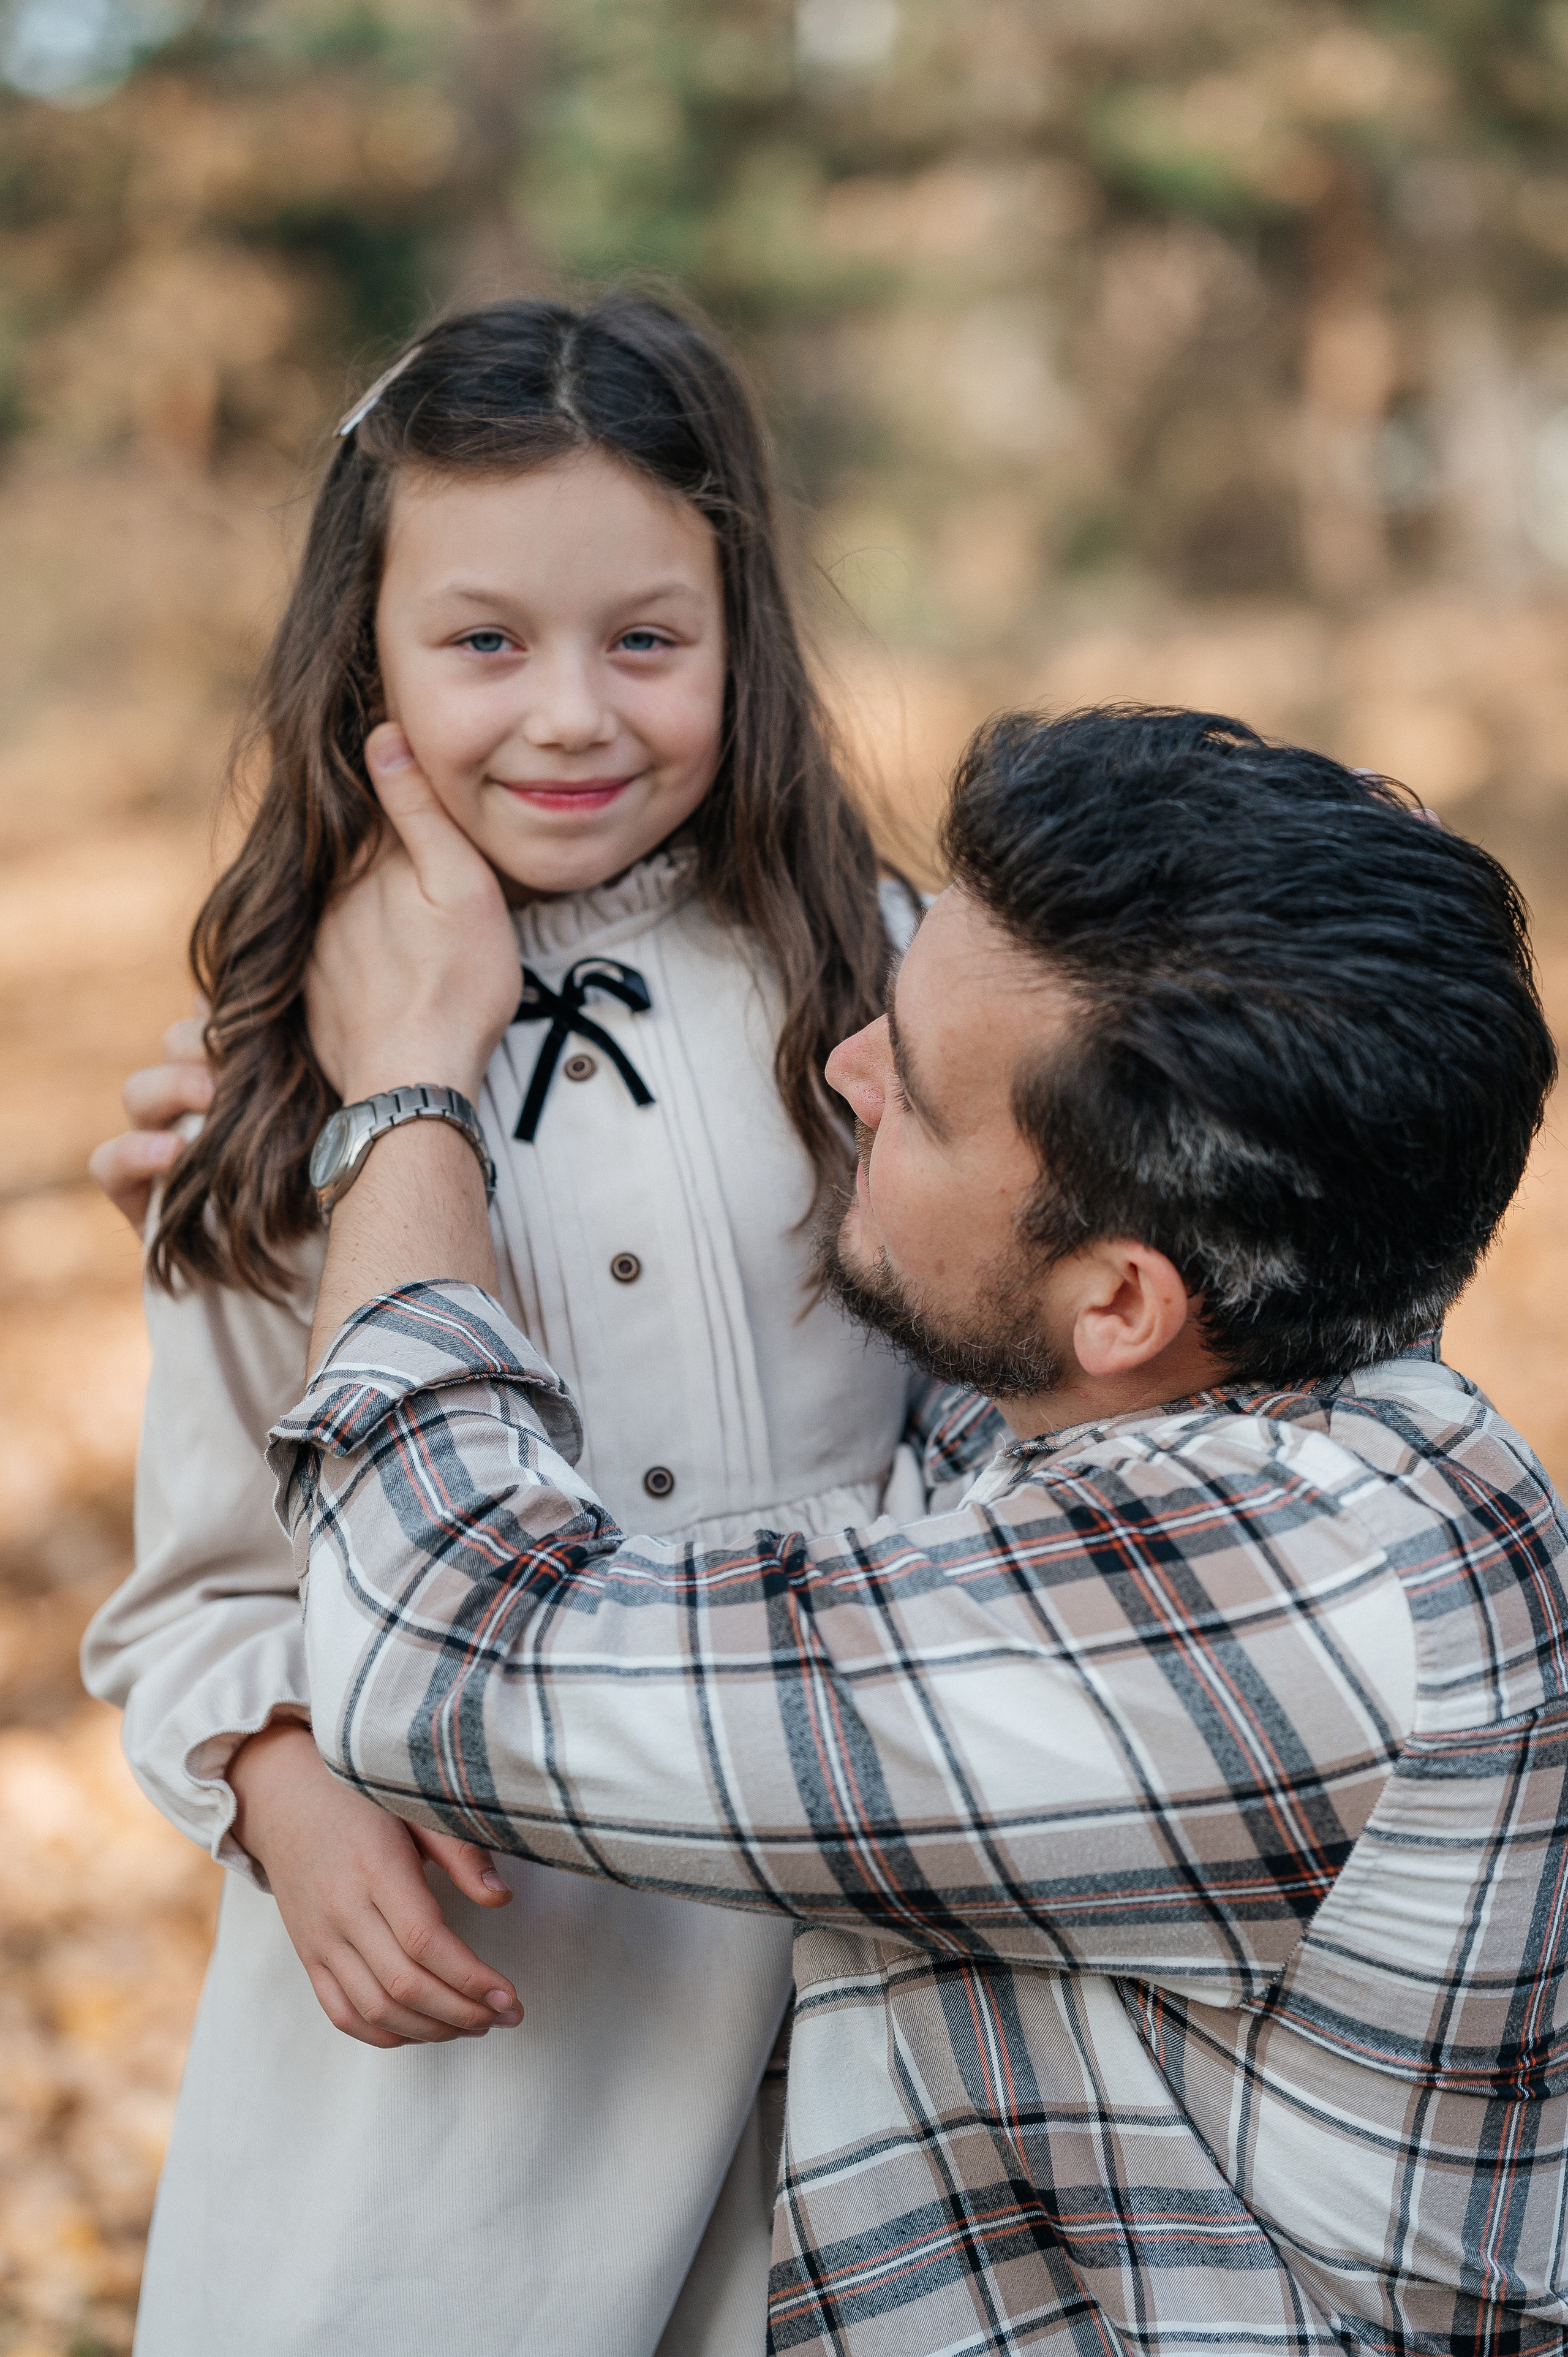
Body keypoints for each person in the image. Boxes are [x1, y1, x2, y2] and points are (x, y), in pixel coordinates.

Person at [270, 702, 1567, 2356]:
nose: (844, 1067)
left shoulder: (1233, 1616)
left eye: (924, 1095)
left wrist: (396, 1110)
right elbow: (964, 1401)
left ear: (1121, 1297)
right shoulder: (1281, 1409)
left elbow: (447, 1653)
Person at [81, 293, 940, 2355]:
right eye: (483, 644)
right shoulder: (277, 1073)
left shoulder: (893, 996)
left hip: (834, 2008)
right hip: (464, 2057)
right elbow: (194, 1593)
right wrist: (282, 1784)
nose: (571, 715)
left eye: (646, 641)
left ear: (746, 640)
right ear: (359, 656)